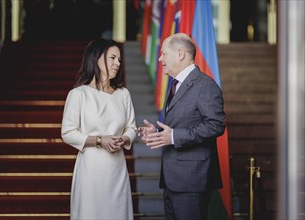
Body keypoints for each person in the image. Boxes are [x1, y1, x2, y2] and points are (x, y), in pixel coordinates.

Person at [138, 33, 226, 220]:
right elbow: (180, 124)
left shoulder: (205, 86)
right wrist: (157, 132)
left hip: (192, 180)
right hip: (172, 180)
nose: (160, 59)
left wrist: (173, 137)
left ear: (180, 54)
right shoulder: (175, 85)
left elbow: (216, 125)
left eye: (163, 54)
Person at [61, 39, 137, 220]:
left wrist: (123, 139)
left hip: (117, 169)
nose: (118, 63)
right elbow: (67, 132)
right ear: (96, 59)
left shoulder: (123, 94)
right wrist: (99, 140)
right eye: (112, 58)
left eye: (119, 59)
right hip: (91, 169)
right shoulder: (79, 94)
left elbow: (131, 127)